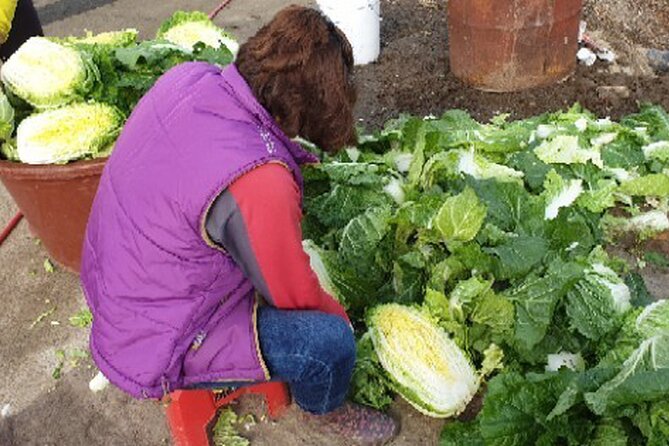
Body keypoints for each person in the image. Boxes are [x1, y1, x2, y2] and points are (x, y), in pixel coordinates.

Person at [80, 6, 399, 445]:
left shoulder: (190, 77)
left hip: (113, 284)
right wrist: (342, 319)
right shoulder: (260, 180)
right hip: (160, 340)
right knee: (328, 345)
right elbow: (293, 296)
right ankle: (326, 414)